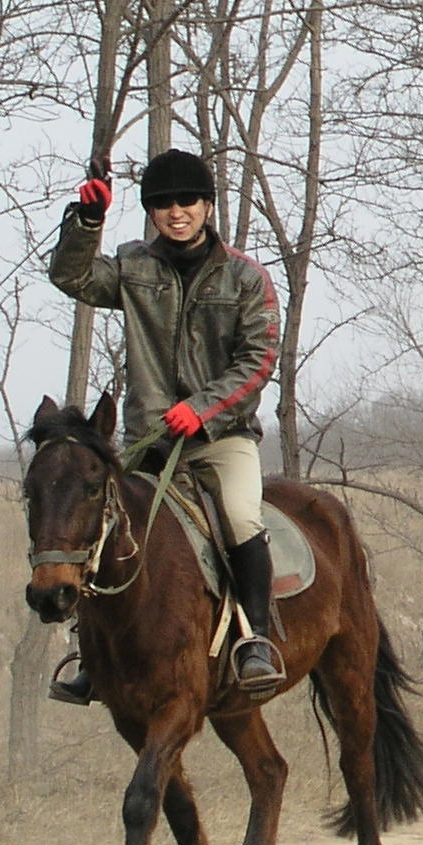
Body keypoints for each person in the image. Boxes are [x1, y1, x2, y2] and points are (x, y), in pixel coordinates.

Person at [45, 149, 285, 701]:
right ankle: (92, 655)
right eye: (162, 204)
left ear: (207, 206)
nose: (176, 212)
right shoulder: (132, 267)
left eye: (186, 201)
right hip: (148, 440)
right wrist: (86, 222)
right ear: (151, 212)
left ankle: (256, 641)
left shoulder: (246, 277)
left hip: (220, 439)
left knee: (242, 518)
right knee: (97, 525)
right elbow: (71, 275)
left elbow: (259, 357)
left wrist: (203, 407)